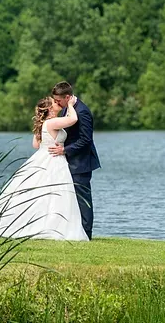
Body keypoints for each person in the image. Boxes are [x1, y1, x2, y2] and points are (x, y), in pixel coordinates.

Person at [0, 96, 89, 241]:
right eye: (54, 102)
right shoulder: (52, 122)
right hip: (53, 159)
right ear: (49, 109)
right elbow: (73, 119)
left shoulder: (44, 124)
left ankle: (46, 222)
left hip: (44, 156)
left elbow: (35, 144)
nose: (57, 103)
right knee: (53, 193)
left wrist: (52, 143)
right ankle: (51, 224)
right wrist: (71, 105)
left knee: (45, 192)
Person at [48, 81, 100, 240]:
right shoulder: (66, 110)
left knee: (83, 199)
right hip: (68, 162)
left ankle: (87, 234)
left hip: (81, 163)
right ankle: (72, 231)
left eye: (58, 100)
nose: (57, 103)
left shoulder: (83, 112)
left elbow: (85, 140)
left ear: (68, 97)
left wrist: (64, 150)